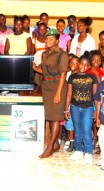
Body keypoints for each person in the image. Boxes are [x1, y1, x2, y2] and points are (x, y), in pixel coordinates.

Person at [33, 29, 69, 158]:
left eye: (51, 39)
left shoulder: (62, 54)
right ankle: (55, 145)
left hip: (57, 87)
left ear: (57, 41)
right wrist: (34, 68)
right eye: (47, 39)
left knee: (55, 118)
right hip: (47, 87)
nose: (48, 41)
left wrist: (58, 93)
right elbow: (45, 72)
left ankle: (50, 146)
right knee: (51, 116)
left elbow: (63, 74)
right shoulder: (46, 53)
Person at [65, 52, 98, 164]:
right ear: (78, 64)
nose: (83, 66)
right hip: (74, 107)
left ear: (89, 66)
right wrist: (66, 108)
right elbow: (69, 94)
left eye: (86, 65)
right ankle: (78, 150)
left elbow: (95, 95)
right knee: (77, 129)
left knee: (86, 129)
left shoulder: (92, 77)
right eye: (81, 64)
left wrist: (95, 111)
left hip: (88, 108)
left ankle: (88, 152)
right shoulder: (72, 77)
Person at [64, 54, 79, 152]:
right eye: (71, 62)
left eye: (76, 63)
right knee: (69, 124)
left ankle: (78, 142)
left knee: (78, 124)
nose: (73, 64)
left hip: (78, 104)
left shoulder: (80, 75)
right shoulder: (68, 75)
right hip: (69, 103)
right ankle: (71, 141)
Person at [32, 22, 47, 92]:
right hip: (37, 59)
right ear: (38, 29)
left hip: (45, 59)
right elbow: (32, 52)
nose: (42, 31)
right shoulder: (34, 40)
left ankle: (40, 85)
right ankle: (38, 84)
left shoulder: (48, 40)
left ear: (46, 30)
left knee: (42, 65)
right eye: (40, 29)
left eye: (44, 29)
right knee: (37, 66)